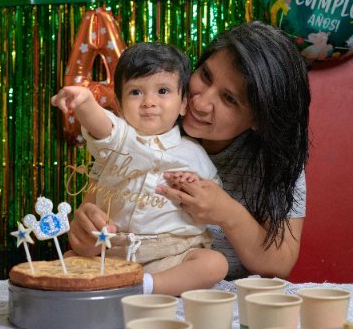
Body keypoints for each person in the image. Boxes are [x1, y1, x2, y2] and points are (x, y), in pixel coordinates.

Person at [67, 21, 311, 282]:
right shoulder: (149, 122)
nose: (200, 102)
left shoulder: (274, 162)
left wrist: (228, 213)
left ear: (259, 119)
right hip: (124, 271)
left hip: (210, 300)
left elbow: (279, 264)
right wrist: (86, 233)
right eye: (205, 75)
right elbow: (92, 214)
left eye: (229, 99)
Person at [51, 42, 228, 295]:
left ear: (183, 104)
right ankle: (118, 282)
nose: (149, 102)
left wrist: (194, 184)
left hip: (171, 253)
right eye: (136, 92)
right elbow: (103, 128)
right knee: (68, 258)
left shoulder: (193, 153)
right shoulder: (120, 141)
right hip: (115, 250)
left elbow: (211, 198)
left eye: (163, 90)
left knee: (213, 264)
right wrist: (85, 104)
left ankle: (146, 286)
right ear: (119, 105)